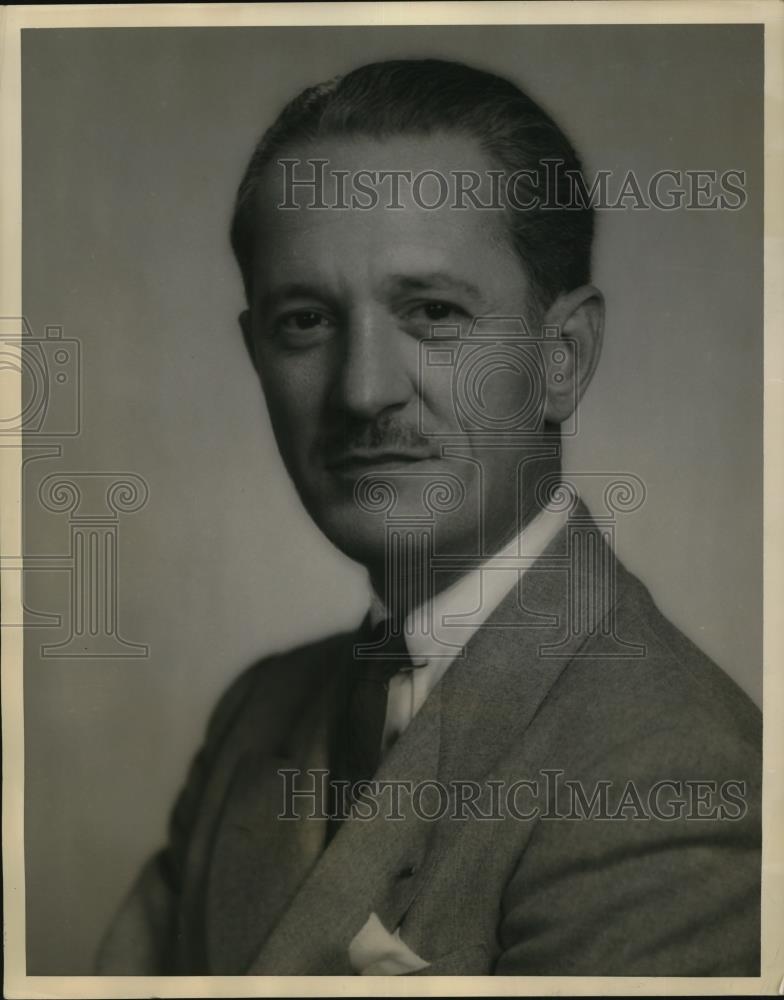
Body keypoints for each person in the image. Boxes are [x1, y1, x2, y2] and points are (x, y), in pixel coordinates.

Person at [96, 58, 761, 977]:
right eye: (305, 322)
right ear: (255, 354)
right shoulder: (255, 719)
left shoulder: (673, 776)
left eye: (434, 313)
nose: (363, 391)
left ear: (560, 358)